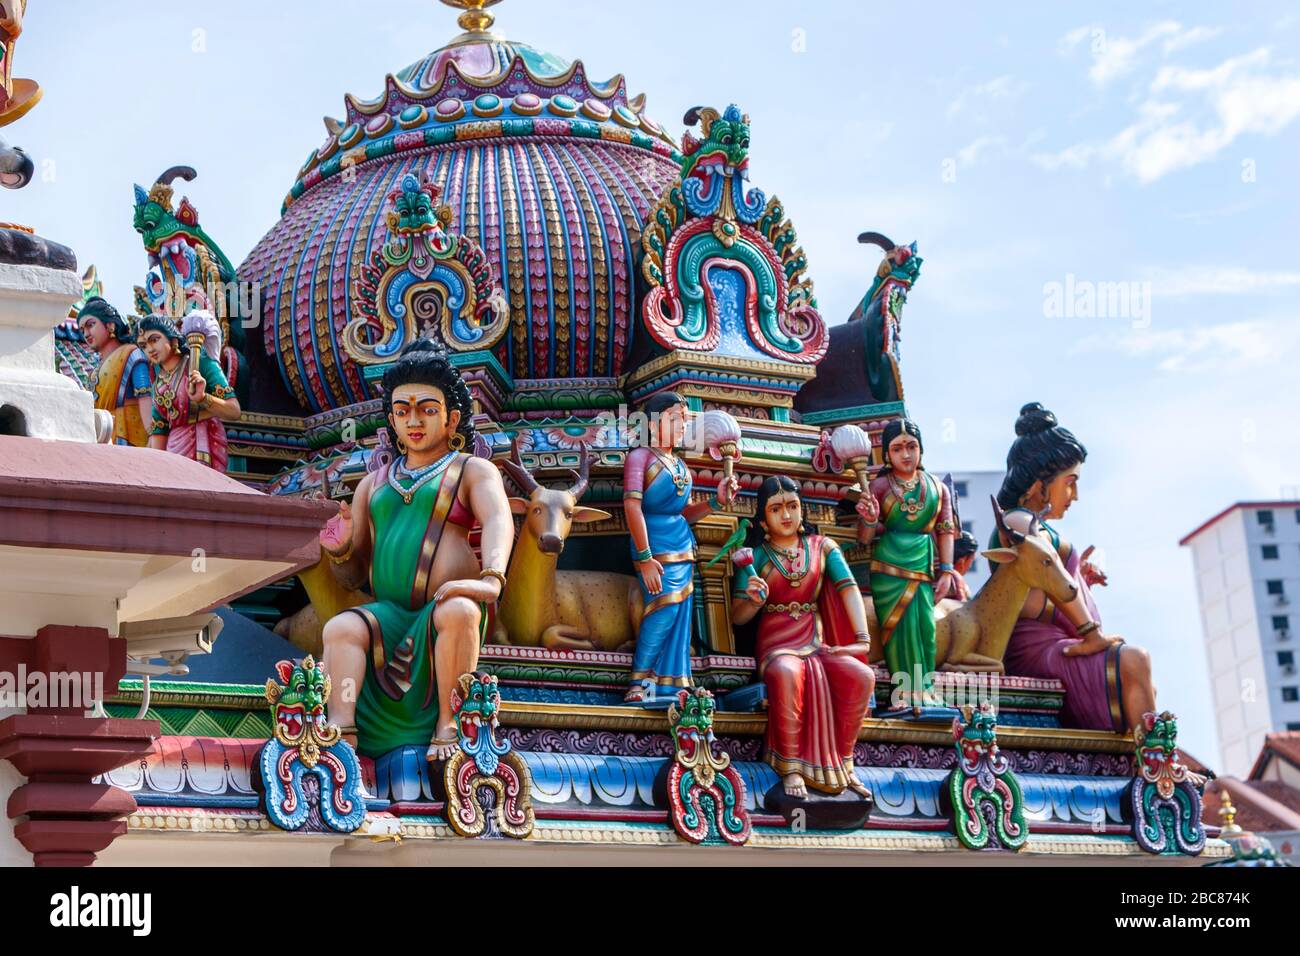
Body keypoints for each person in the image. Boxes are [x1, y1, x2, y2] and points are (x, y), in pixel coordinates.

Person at [319, 340, 514, 761]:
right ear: (391, 419)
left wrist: (492, 578)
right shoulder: (372, 484)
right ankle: (341, 731)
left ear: (452, 418)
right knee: (340, 629)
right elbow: (355, 577)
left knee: (460, 611)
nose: (414, 420)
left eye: (427, 409)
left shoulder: (470, 469)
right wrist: (339, 551)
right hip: (387, 614)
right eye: (403, 411)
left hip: (443, 604)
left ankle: (449, 719)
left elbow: (499, 519)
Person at [991, 402, 1155, 734]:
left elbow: (1047, 588)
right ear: (1040, 482)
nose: (1075, 495)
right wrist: (1090, 633)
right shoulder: (1017, 522)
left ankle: (1149, 755)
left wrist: (1082, 582)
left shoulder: (1036, 525)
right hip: (1036, 649)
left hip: (1060, 641)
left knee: (1139, 674)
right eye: (1070, 482)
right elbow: (1036, 596)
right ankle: (1157, 764)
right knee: (1134, 661)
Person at [731, 476, 876, 799]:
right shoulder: (755, 558)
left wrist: (862, 638)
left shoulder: (822, 548)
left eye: (793, 506)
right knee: (787, 673)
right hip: (776, 644)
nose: (786, 515)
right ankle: (791, 765)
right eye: (776, 509)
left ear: (803, 510)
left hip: (816, 642)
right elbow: (737, 617)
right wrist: (753, 600)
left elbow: (848, 588)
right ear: (763, 518)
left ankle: (846, 763)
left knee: (862, 676)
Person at [622, 392, 738, 703]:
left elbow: (684, 513)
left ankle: (673, 684)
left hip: (682, 545)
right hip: (653, 546)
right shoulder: (641, 457)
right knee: (662, 610)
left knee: (679, 617)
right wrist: (645, 557)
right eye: (676, 419)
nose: (682, 426)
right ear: (654, 421)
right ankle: (639, 682)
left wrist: (716, 501)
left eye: (684, 421)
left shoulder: (679, 465)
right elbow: (632, 506)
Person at [855, 419, 958, 713]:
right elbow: (864, 539)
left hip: (924, 565)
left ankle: (925, 691)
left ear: (921, 450)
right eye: (898, 448)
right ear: (887, 455)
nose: (906, 454)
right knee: (897, 631)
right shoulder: (879, 485)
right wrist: (869, 518)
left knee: (925, 629)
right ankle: (904, 693)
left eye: (911, 446)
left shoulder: (938, 488)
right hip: (889, 568)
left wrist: (948, 569)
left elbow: (946, 530)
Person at [136, 313, 240, 470]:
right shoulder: (158, 384)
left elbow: (234, 411)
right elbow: (160, 431)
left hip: (202, 442)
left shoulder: (200, 363)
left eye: (154, 339)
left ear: (173, 339)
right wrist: (154, 469)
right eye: (143, 346)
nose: (150, 349)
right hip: (173, 450)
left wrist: (204, 398)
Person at [79, 297, 152, 446]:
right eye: (82, 330)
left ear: (110, 325)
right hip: (103, 439)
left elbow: (145, 397)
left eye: (90, 325)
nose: (86, 334)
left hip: (132, 440)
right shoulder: (94, 372)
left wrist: (153, 438)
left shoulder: (132, 355)